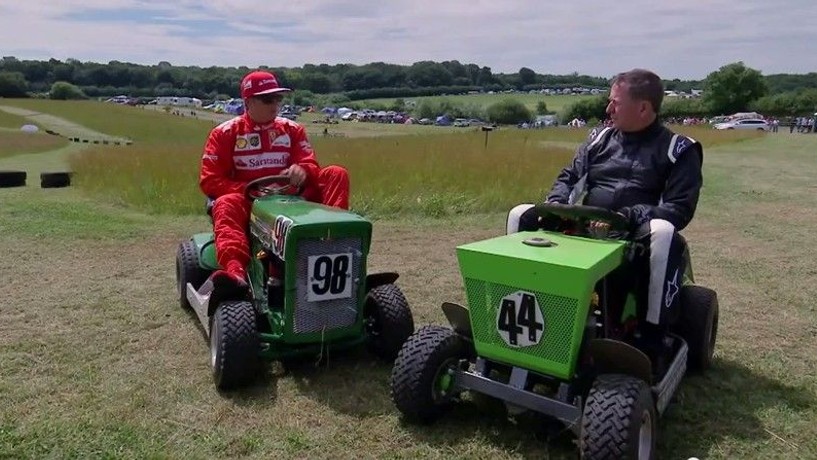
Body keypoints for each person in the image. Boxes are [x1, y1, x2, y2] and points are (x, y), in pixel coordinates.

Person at [506, 68, 704, 371]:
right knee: (521, 213)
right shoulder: (599, 139)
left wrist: (627, 218)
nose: (607, 109)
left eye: (615, 102)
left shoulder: (679, 150)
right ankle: (522, 311)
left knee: (664, 232)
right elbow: (570, 178)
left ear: (643, 108)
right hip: (585, 228)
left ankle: (651, 338)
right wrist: (557, 204)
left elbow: (678, 208)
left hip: (638, 239)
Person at [199, 70, 350, 298]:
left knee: (336, 173)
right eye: (268, 99)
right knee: (226, 203)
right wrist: (249, 189)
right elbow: (210, 180)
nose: (275, 105)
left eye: (279, 98)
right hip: (249, 201)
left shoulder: (293, 129)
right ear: (248, 102)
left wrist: (303, 169)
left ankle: (332, 246)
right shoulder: (224, 133)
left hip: (292, 198)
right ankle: (235, 273)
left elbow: (309, 162)